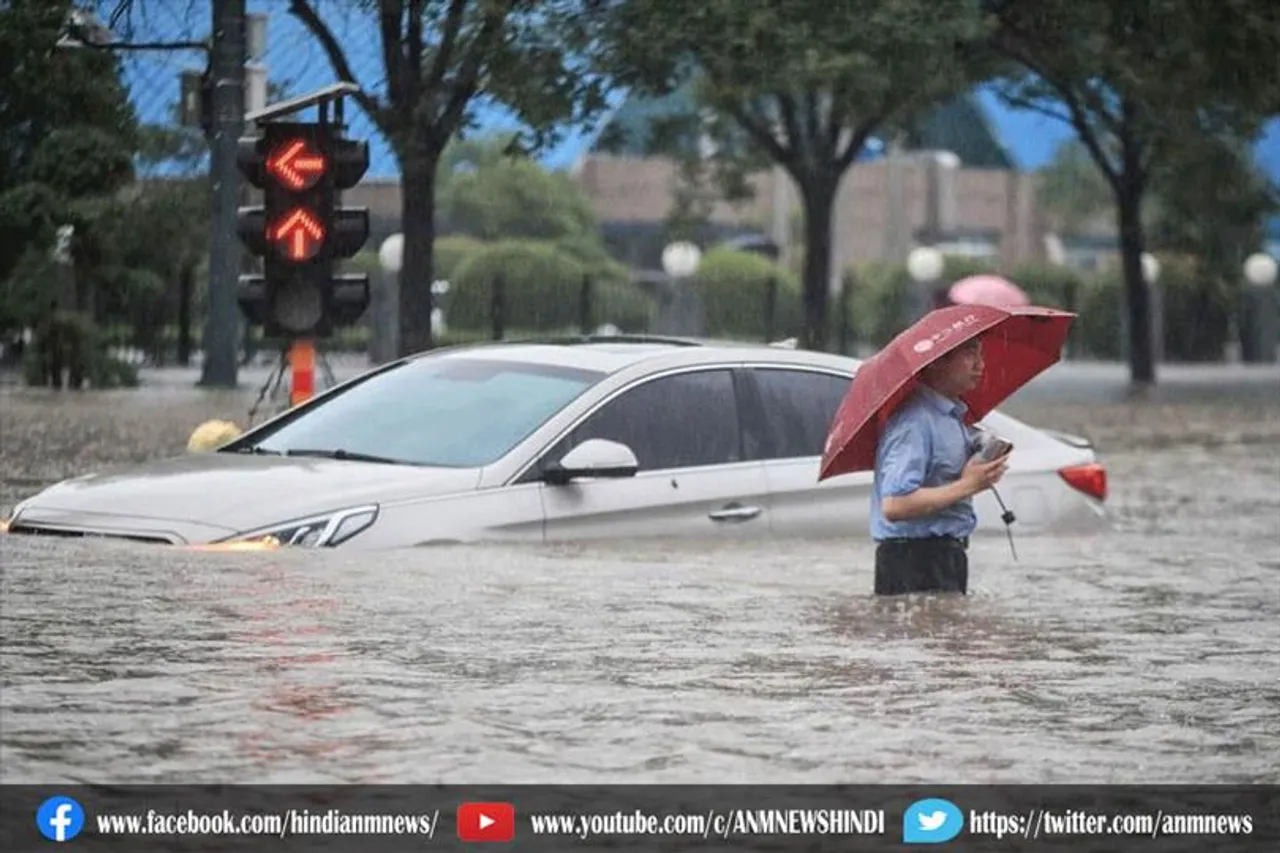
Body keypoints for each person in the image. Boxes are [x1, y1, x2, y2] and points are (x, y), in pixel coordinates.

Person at [869, 337, 1010, 595]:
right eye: (969, 354)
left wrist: (980, 466)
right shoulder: (913, 422)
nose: (981, 364)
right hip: (912, 559)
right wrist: (968, 485)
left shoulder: (952, 417)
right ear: (937, 361)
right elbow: (894, 505)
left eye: (981, 354)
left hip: (946, 554)